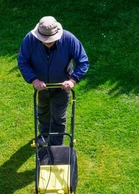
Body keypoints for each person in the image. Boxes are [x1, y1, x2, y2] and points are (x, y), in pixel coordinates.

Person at [17, 16, 89, 145]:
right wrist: (33, 80)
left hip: (62, 86)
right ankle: (44, 137)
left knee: (59, 117)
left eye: (51, 40)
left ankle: (56, 146)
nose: (48, 42)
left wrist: (73, 80)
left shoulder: (69, 39)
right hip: (41, 86)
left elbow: (83, 61)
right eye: (45, 40)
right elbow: (23, 61)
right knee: (43, 112)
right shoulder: (29, 40)